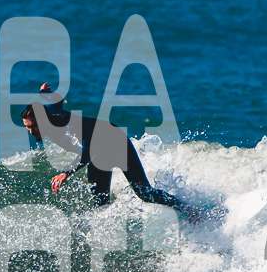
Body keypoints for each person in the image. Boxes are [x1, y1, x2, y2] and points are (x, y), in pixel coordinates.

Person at [21, 83, 198, 218]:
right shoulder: (50, 115)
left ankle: (189, 210)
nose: (31, 131)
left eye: (33, 126)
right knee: (101, 204)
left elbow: (87, 150)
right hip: (99, 154)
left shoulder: (67, 126)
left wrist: (66, 172)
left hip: (116, 143)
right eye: (27, 127)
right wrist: (45, 93)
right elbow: (56, 101)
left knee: (145, 193)